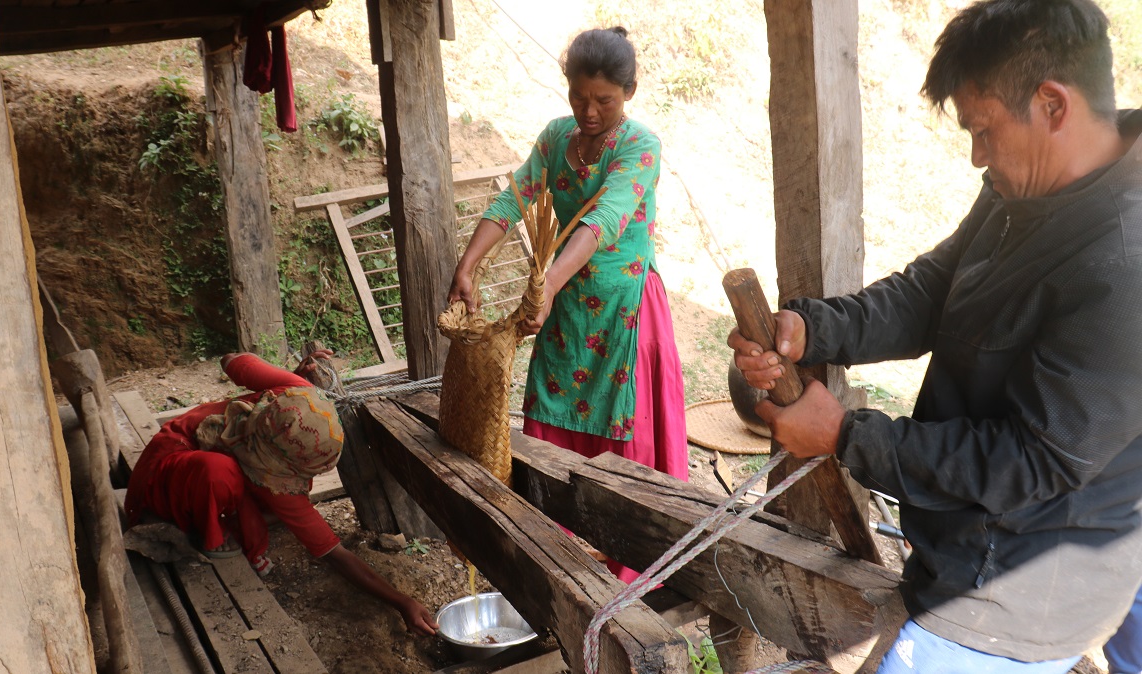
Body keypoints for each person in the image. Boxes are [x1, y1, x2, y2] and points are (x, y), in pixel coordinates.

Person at [728, 0, 1142, 671]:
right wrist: (813, 329)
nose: (977, 156)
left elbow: (1032, 461)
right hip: (963, 555)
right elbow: (932, 291)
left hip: (1013, 597)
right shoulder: (1027, 185)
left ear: (1052, 105)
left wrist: (843, 435)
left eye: (983, 130)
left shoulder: (1126, 266)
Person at [447, 27, 688, 582]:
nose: (589, 111)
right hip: (566, 307)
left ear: (629, 92)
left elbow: (604, 219)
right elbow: (515, 197)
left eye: (604, 100)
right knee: (551, 418)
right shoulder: (558, 138)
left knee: (622, 426)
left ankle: (626, 563)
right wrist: (468, 265)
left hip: (625, 312)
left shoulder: (639, 147)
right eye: (579, 97)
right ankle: (555, 554)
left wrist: (548, 284)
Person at [124, 350, 438, 636]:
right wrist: (401, 602)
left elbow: (333, 551)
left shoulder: (297, 392)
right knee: (221, 472)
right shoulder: (279, 457)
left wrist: (402, 602)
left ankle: (226, 510)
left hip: (213, 474)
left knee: (246, 484)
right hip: (168, 467)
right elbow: (230, 360)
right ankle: (212, 531)